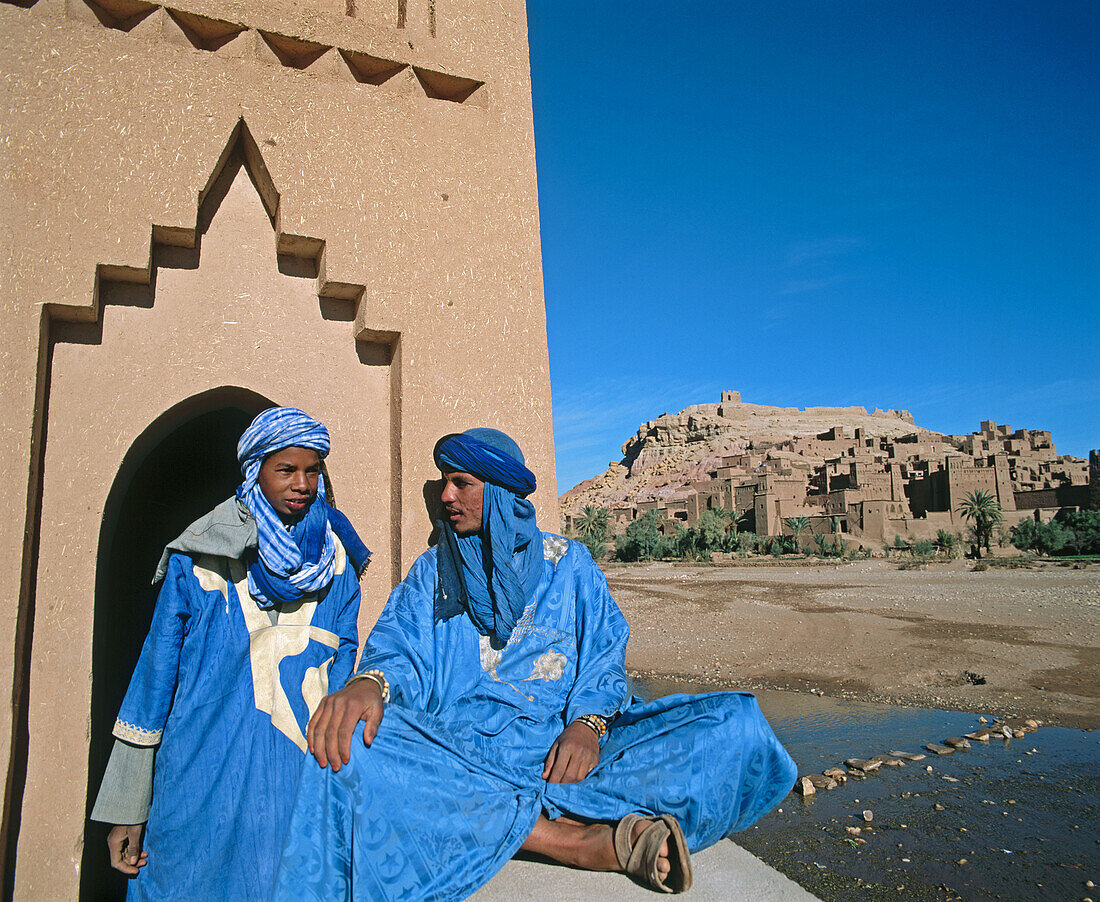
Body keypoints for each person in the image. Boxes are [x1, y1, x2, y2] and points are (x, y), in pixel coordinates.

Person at [274, 428, 796, 901]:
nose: (446, 497)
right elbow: (399, 650)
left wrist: (587, 726)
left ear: (500, 491)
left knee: (737, 727)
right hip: (461, 756)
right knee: (357, 745)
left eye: (460, 483)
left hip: (562, 757)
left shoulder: (569, 565)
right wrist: (370, 682)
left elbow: (603, 659)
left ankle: (501, 818)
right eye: (444, 485)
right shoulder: (432, 572)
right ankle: (567, 839)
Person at [90, 406, 370, 901]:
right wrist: (128, 807)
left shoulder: (339, 561)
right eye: (286, 469)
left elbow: (344, 664)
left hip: (298, 780)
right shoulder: (199, 555)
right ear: (255, 470)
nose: (302, 484)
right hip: (201, 775)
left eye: (312, 470)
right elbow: (153, 679)